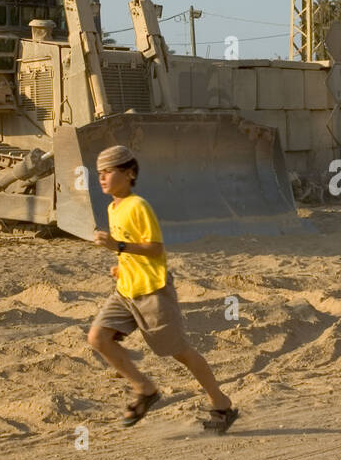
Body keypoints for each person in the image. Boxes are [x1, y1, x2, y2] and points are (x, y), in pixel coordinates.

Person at [85, 145, 238, 431]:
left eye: (108, 172)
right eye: (99, 173)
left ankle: (221, 403)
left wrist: (117, 246)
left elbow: (155, 249)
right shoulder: (112, 207)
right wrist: (121, 263)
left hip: (153, 292)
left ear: (129, 173)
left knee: (180, 352)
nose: (102, 178)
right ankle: (144, 389)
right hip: (126, 290)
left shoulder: (139, 206)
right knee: (97, 337)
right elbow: (132, 247)